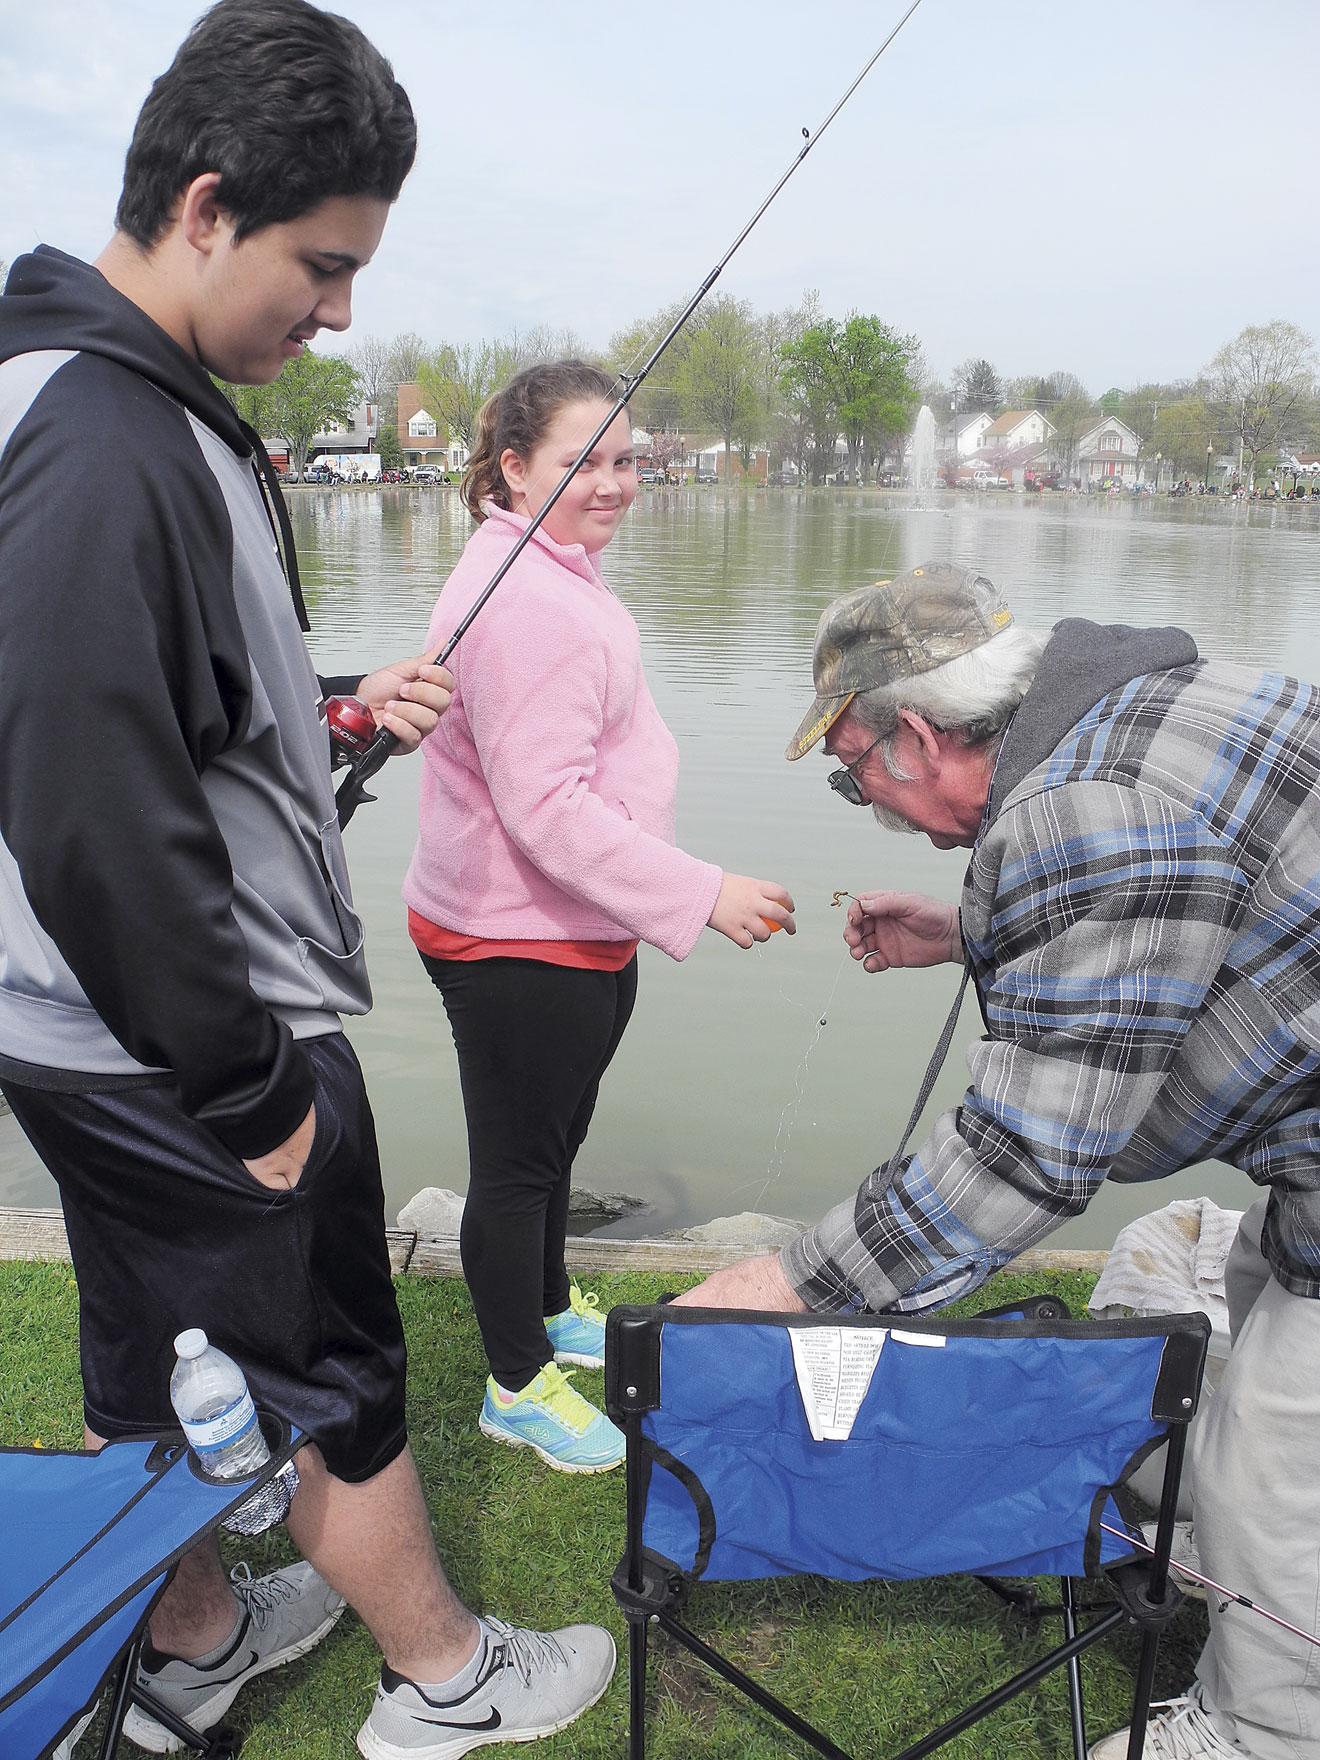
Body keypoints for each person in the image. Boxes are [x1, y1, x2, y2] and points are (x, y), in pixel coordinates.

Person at [0, 5, 617, 1756]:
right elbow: (82, 796)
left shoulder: (86, 386)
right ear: (207, 208)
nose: (340, 311)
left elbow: (142, 708)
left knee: (148, 1355)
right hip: (170, 1037)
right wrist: (248, 1081)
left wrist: (331, 712)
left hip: (66, 1020)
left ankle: (196, 1639)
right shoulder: (103, 436)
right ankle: (444, 1681)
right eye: (322, 265)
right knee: (331, 1364)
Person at [677, 561, 1320, 1760]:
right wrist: (980, 929)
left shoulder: (1082, 817)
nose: (861, 799)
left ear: (916, 736)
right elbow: (1198, 883)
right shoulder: (1154, 698)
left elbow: (1026, 1158)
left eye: (852, 770)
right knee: (1253, 1333)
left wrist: (789, 1283)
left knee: (1277, 1464)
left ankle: (1266, 1730)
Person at [403, 361, 796, 1473]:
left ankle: (545, 1306)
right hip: (517, 930)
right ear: (516, 467)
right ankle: (515, 1382)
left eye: (626, 459)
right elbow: (544, 807)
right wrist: (699, 889)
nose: (615, 483)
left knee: (555, 1135)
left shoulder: (544, 563)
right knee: (518, 1163)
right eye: (584, 461)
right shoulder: (531, 598)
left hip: (561, 922)